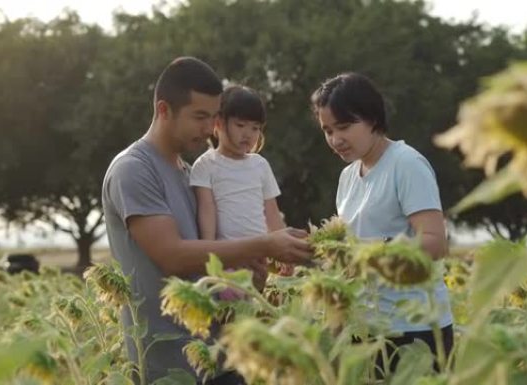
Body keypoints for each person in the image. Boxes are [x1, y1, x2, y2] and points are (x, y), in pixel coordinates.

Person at [102, 57, 311, 384]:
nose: (208, 128)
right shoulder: (134, 169)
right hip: (168, 366)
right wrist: (265, 243)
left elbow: (212, 258)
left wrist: (252, 276)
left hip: (219, 357)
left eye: (213, 117)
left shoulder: (192, 174)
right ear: (163, 110)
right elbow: (172, 255)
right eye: (199, 117)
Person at [310, 72, 454, 371]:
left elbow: (435, 243)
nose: (335, 140)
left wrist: (371, 254)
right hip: (364, 328)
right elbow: (348, 247)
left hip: (414, 329)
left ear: (372, 119)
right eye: (327, 130)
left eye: (344, 127)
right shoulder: (348, 176)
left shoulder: (406, 164)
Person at [190, 85, 289, 297]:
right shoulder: (206, 165)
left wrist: (285, 253)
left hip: (262, 255)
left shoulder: (260, 165)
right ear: (218, 123)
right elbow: (207, 210)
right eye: (240, 125)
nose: (248, 134)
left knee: (276, 300)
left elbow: (271, 212)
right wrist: (208, 254)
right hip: (227, 258)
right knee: (231, 300)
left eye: (255, 128)